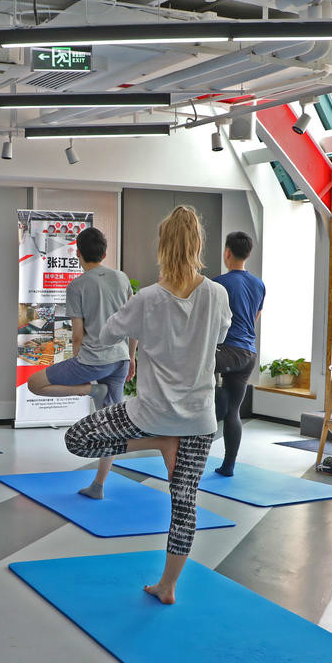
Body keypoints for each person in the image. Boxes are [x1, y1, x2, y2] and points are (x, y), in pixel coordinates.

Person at [63, 206, 231, 604]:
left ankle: (157, 441)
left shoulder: (148, 298)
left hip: (150, 414)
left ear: (162, 246)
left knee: (77, 439)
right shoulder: (217, 294)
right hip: (199, 419)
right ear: (198, 245)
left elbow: (107, 334)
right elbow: (222, 334)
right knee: (184, 502)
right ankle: (168, 586)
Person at [26, 227, 136, 498]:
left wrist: (80, 371)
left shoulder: (77, 286)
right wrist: (132, 357)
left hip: (92, 361)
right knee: (110, 424)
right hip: (120, 359)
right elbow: (134, 322)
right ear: (105, 253)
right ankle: (98, 486)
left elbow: (77, 336)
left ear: (78, 254)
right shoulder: (121, 278)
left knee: (34, 383)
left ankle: (90, 390)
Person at [211, 231, 265, 476]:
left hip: (227, 351)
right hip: (248, 354)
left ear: (227, 252)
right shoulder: (259, 284)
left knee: (193, 367)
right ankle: (228, 467)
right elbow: (254, 318)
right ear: (249, 254)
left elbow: (212, 321)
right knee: (233, 411)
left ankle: (215, 400)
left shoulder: (219, 283)